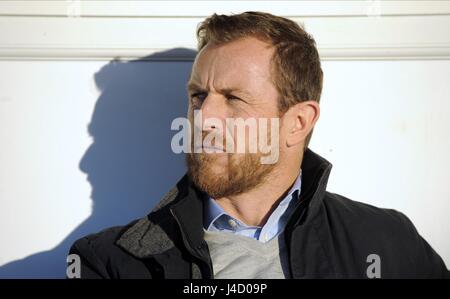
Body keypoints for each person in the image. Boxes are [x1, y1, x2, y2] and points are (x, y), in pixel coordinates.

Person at [68, 11, 449, 279]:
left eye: (233, 98)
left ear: (297, 123)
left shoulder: (387, 243)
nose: (204, 118)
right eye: (198, 96)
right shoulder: (110, 262)